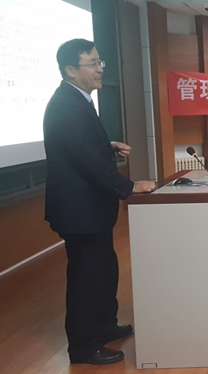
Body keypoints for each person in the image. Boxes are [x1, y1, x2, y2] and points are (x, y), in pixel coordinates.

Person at [44, 39, 156, 365]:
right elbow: (87, 161)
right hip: (79, 212)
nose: (100, 69)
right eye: (92, 63)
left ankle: (104, 326)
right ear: (70, 70)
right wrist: (130, 186)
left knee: (104, 270)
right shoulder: (67, 105)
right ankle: (82, 347)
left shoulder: (77, 100)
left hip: (90, 210)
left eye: (99, 62)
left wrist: (108, 147)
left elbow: (81, 148)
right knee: (85, 279)